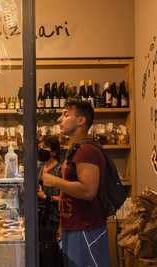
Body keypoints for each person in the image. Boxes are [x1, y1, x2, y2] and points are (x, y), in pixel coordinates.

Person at [42, 99, 110, 267]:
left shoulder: (87, 150)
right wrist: (62, 226)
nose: (59, 119)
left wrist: (54, 181)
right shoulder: (76, 149)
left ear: (81, 121)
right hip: (73, 227)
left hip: (86, 230)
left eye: (66, 114)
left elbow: (88, 191)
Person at [37, 135, 62, 267]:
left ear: (53, 152)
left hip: (52, 219)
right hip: (38, 218)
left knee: (49, 257)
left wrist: (46, 197)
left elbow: (63, 199)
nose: (41, 150)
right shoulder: (39, 166)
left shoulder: (60, 170)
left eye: (45, 147)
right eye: (40, 147)